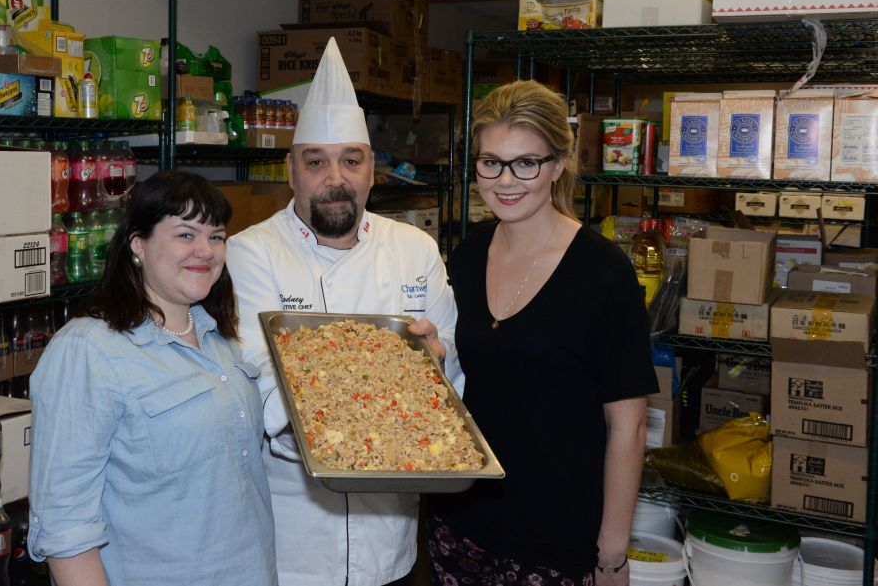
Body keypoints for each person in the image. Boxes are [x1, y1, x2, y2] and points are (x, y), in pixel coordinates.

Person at [227, 37, 460, 586]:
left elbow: (451, 382)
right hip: (294, 536)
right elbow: (263, 389)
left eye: (351, 161)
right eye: (317, 162)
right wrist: (396, 372)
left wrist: (436, 361)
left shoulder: (415, 249)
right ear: (291, 172)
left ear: (372, 169)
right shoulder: (251, 251)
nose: (336, 178)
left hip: (391, 533)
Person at [426, 80, 658, 586]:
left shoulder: (603, 273)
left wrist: (611, 554)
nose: (506, 180)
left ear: (557, 166)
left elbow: (629, 427)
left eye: (526, 162)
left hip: (557, 542)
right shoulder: (468, 255)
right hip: (462, 527)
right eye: (491, 162)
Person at [27, 170, 276, 586]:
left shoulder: (221, 339)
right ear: (137, 244)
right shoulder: (90, 350)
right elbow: (65, 523)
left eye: (216, 236)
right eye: (184, 235)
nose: (205, 250)